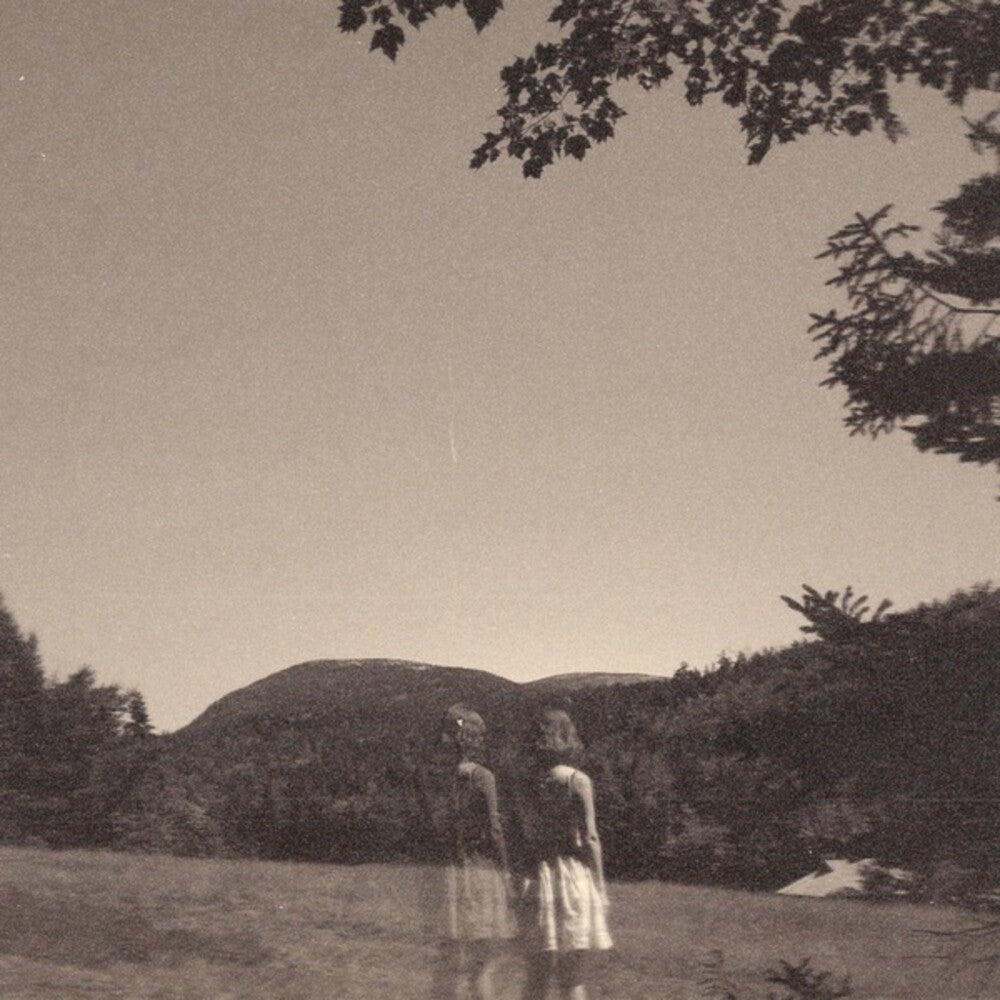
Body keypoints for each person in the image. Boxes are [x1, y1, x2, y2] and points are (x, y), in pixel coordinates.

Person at [519, 709, 611, 1000]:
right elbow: (591, 837)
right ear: (567, 737)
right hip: (571, 879)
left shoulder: (529, 783)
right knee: (571, 979)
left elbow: (525, 836)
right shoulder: (577, 781)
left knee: (536, 977)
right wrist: (601, 884)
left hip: (537, 877)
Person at [431, 703, 515, 999]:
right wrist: (506, 872)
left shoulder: (446, 778)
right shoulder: (483, 777)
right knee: (483, 964)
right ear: (475, 739)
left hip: (454, 873)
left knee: (457, 963)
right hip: (481, 872)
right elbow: (494, 829)